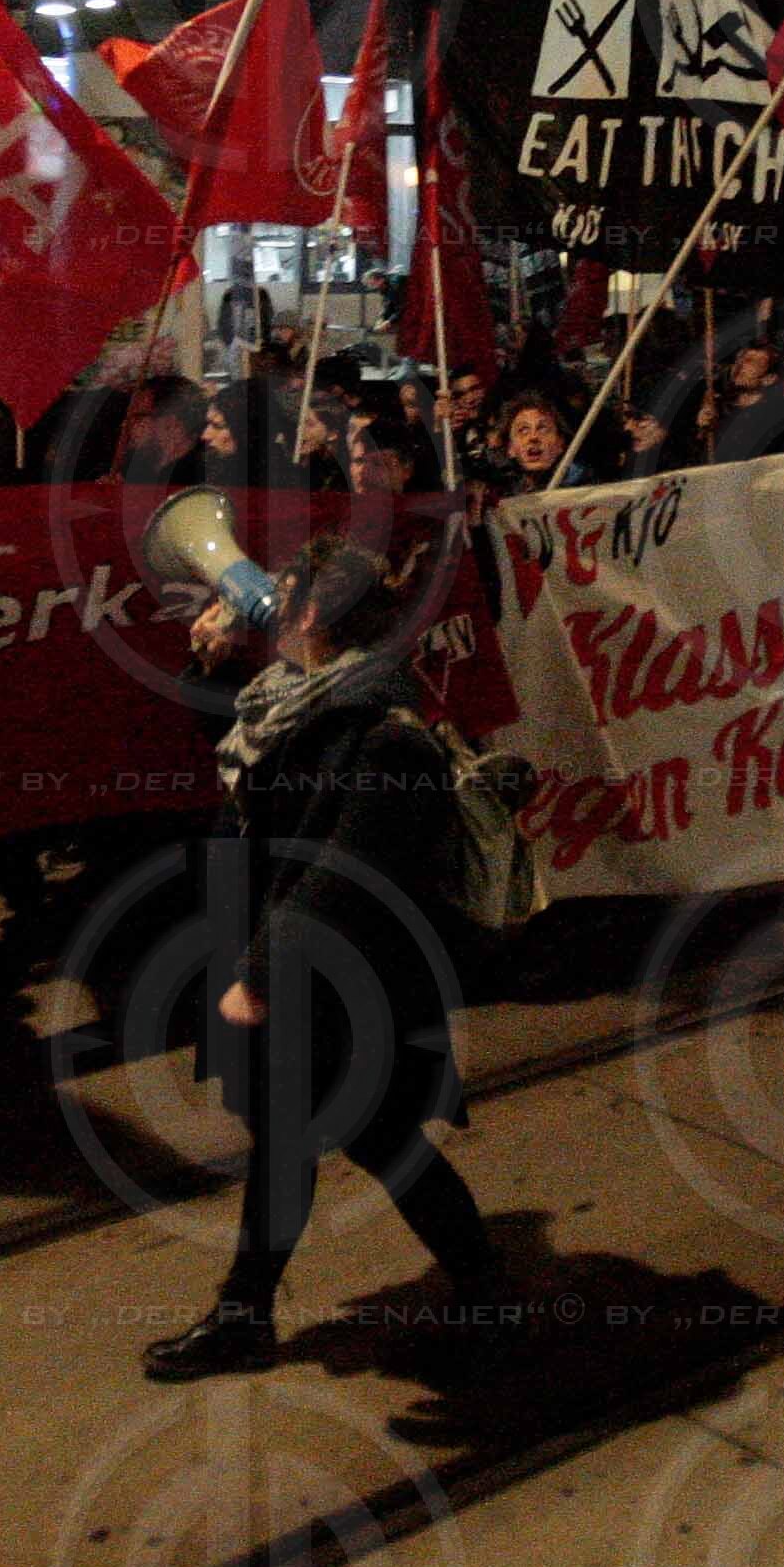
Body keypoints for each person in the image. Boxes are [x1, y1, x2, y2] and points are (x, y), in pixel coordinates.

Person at [144, 540, 519, 1380]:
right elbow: (250, 759)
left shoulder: (383, 733)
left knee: (367, 1137)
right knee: (332, 1140)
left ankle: (255, 1315)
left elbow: (338, 874)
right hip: (303, 975)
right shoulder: (301, 699)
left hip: (347, 987)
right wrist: (206, 661)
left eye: (280, 593)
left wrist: (261, 983)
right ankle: (257, 1311)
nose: (264, 604)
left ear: (312, 614)